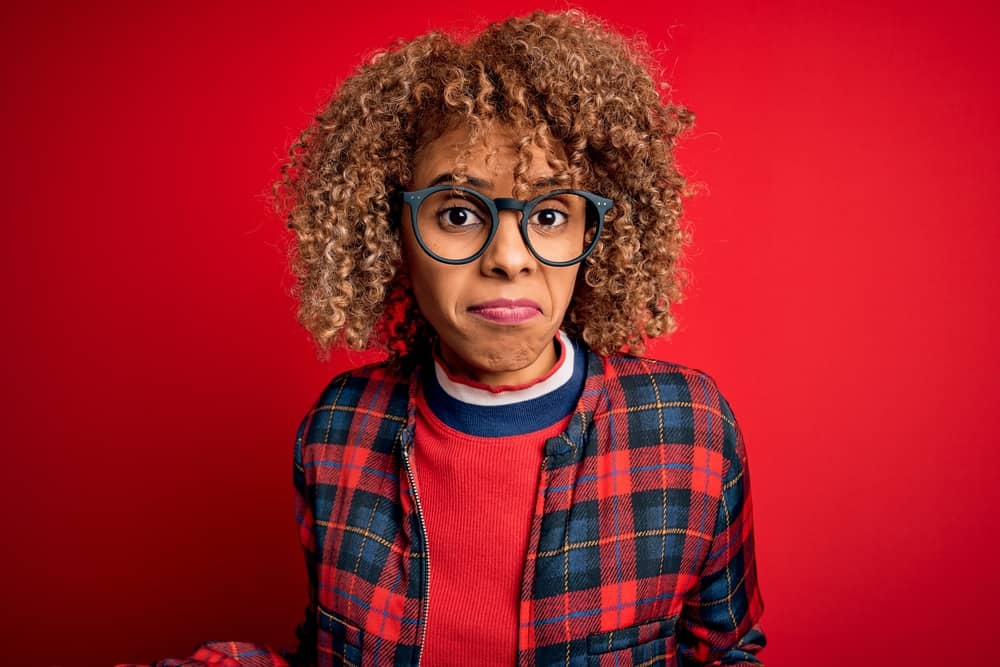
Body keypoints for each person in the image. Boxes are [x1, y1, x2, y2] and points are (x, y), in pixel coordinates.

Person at [121, 9, 765, 667]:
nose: (509, 258)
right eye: (458, 213)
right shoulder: (337, 429)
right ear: (392, 230)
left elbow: (727, 652)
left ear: (591, 237)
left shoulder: (689, 428)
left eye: (548, 214)